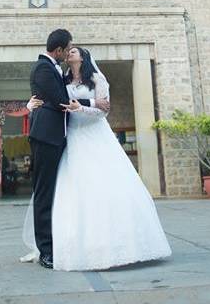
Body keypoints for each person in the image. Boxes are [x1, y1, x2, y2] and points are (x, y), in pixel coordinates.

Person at [23, 46, 172, 271]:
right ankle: (69, 244)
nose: (70, 54)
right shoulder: (62, 78)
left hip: (94, 135)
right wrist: (29, 104)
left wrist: (82, 108)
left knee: (103, 187)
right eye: (69, 50)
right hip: (70, 138)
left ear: (83, 57)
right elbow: (54, 98)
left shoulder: (96, 78)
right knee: (70, 192)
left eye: (74, 51)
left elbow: (105, 110)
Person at [25, 29, 110, 270]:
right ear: (60, 50)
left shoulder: (55, 70)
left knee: (56, 193)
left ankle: (59, 243)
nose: (69, 52)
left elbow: (50, 96)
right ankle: (46, 251)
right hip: (46, 138)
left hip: (58, 138)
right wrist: (93, 102)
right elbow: (62, 100)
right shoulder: (43, 68)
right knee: (44, 194)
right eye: (68, 48)